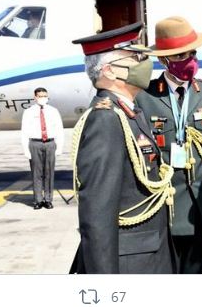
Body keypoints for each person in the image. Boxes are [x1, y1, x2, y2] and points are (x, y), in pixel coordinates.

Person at [69, 22, 176, 274]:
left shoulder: (129, 111)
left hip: (148, 254)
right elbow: (97, 212)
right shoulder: (106, 119)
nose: (144, 63)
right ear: (109, 71)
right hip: (130, 264)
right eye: (135, 58)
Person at [135, 16, 202, 274]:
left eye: (192, 53)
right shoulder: (145, 96)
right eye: (180, 56)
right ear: (164, 60)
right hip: (166, 207)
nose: (189, 60)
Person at [20, 87, 64, 209]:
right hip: (35, 143)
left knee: (49, 173)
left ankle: (48, 199)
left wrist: (59, 146)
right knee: (36, 173)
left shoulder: (53, 111)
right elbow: (24, 131)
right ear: (35, 97)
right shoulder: (28, 112)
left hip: (50, 143)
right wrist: (26, 150)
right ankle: (38, 200)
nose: (43, 98)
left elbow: (59, 129)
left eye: (45, 96)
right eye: (40, 96)